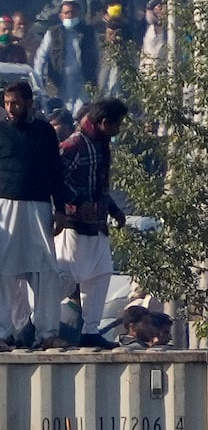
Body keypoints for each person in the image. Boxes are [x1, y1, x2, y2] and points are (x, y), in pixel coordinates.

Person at [0, 80, 66, 352]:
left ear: (29, 103)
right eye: (7, 103)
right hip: (2, 208)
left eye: (16, 103)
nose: (10, 108)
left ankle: (47, 334)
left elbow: (56, 171)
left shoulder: (44, 132)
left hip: (38, 207)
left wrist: (60, 208)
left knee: (45, 271)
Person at [58, 98, 128, 348]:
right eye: (117, 125)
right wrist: (76, 202)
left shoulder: (101, 144)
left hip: (96, 225)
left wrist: (113, 208)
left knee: (101, 273)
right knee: (65, 278)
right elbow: (56, 177)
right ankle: (39, 324)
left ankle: (89, 330)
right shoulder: (75, 144)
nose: (118, 130)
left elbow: (98, 184)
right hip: (74, 225)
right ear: (105, 122)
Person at [33, 0, 97, 109]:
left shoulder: (89, 32)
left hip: (83, 82)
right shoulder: (53, 33)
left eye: (73, 12)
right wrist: (38, 81)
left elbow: (99, 56)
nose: (70, 15)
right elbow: (41, 57)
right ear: (61, 16)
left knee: (81, 112)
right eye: (67, 13)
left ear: (79, 14)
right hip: (59, 83)